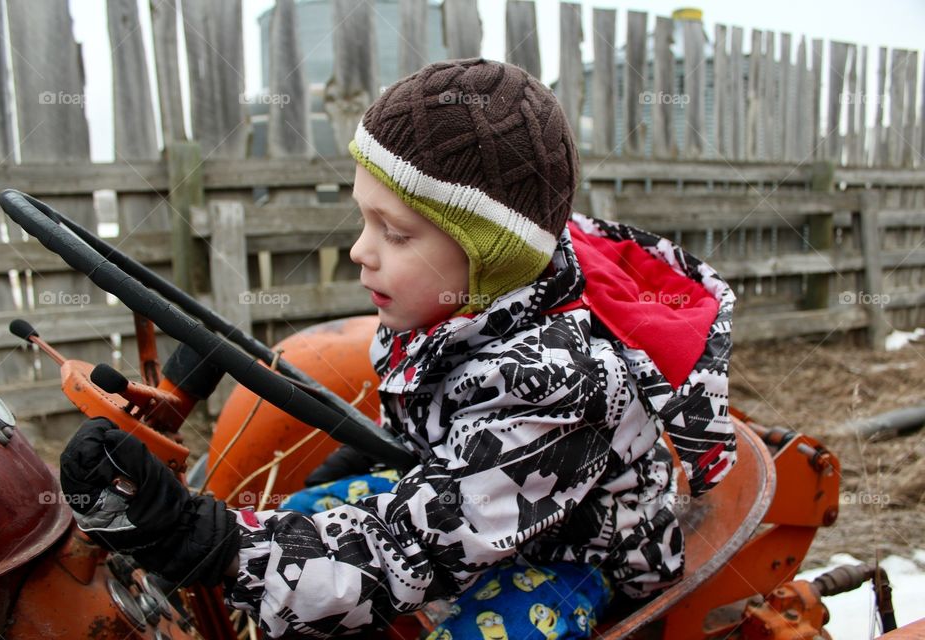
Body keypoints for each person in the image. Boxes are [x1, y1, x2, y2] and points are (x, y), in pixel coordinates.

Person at [60, 58, 736, 638]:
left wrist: (202, 543)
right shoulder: (456, 308)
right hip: (472, 495)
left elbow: (412, 549)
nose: (361, 251)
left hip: (572, 554)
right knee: (298, 512)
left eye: (395, 232)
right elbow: (443, 428)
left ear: (488, 255)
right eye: (364, 219)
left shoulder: (556, 382)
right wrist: (362, 462)